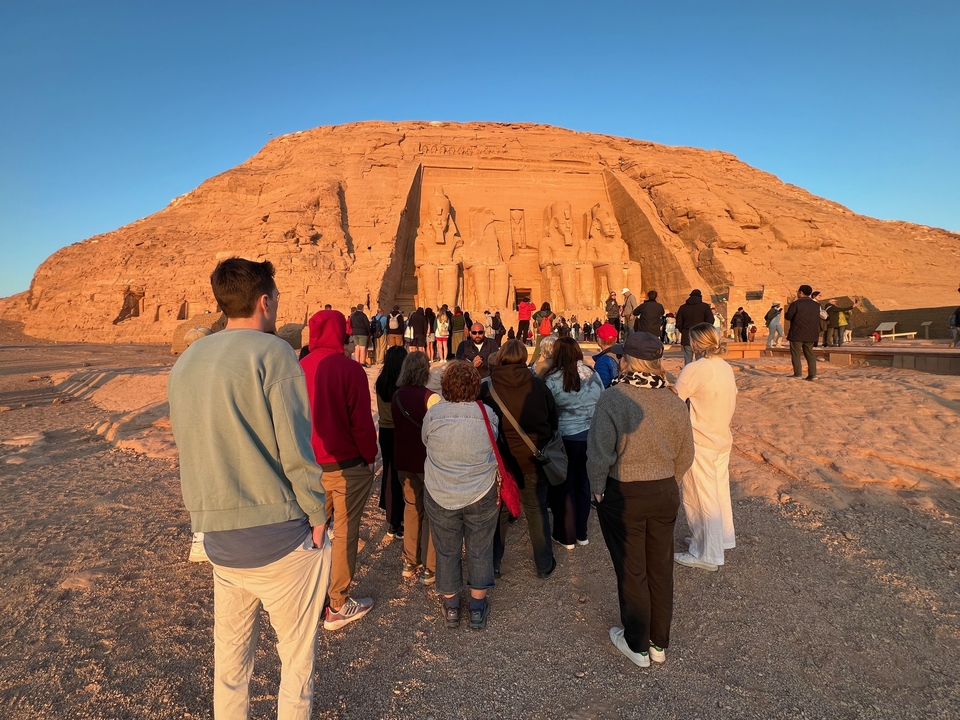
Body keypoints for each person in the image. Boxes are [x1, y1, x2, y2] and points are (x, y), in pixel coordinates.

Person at [168, 258, 331, 719]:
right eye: (276, 298)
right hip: (279, 539)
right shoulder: (273, 353)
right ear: (264, 300)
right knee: (296, 668)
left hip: (220, 539)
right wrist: (318, 517)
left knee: (230, 668)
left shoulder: (188, 361)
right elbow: (297, 450)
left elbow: (192, 444)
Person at [587, 331, 695, 669]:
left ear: (627, 360)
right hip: (663, 489)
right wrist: (670, 480)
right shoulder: (674, 400)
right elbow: (686, 453)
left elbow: (600, 451)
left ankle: (636, 643)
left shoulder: (614, 397)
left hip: (626, 491)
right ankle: (658, 642)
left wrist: (597, 486)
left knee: (633, 570)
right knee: (659, 568)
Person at [301, 309, 377, 630]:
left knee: (309, 531)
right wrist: (370, 457)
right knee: (345, 532)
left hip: (308, 466)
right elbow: (361, 424)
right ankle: (337, 604)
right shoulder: (349, 369)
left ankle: (305, 597)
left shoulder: (298, 367)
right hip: (346, 465)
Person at [423, 360, 500, 629]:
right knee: (480, 547)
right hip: (480, 489)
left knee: (446, 549)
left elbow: (426, 441)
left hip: (441, 488)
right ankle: (477, 608)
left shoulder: (434, 415)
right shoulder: (488, 414)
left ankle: (453, 606)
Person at [480, 339, 559, 579]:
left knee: (500, 511)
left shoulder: (487, 387)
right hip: (534, 458)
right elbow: (552, 419)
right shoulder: (538, 384)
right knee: (536, 509)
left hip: (503, 463)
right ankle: (544, 563)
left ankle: (493, 563)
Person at [673, 324, 737, 572]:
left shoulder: (696, 368)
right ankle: (719, 539)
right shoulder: (724, 366)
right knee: (719, 491)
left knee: (701, 496)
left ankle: (706, 554)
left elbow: (676, 399)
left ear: (695, 343)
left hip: (700, 440)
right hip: (721, 436)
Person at [542, 337, 603, 548]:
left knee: (563, 487)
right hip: (589, 437)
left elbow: (546, 409)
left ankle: (565, 535)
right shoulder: (592, 375)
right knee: (583, 485)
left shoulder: (551, 378)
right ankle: (581, 533)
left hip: (565, 438)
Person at [392, 352, 439, 584]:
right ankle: (429, 566)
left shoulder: (397, 395)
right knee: (431, 511)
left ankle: (410, 559)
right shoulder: (430, 398)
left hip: (403, 459)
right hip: (425, 461)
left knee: (411, 508)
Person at [375, 346, 408, 540]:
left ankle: (392, 520)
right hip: (400, 431)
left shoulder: (381, 381)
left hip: (385, 431)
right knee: (402, 476)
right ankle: (401, 519)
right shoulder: (403, 384)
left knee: (389, 474)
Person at [785, 284, 821, 381]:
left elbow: (788, 316)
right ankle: (813, 375)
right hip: (811, 333)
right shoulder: (816, 305)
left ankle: (797, 374)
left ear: (801, 292)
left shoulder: (795, 304)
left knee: (796, 354)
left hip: (797, 332)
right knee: (810, 353)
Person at [675, 289, 714, 365]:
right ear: (700, 296)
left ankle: (688, 375)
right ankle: (699, 375)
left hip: (687, 335)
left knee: (688, 359)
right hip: (700, 335)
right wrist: (704, 331)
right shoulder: (705, 307)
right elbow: (710, 321)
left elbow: (678, 323)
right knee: (700, 359)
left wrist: (683, 330)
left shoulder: (683, 307)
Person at [592, 323, 620, 388]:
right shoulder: (622, 355)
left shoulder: (602, 361)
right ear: (615, 339)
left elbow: (601, 387)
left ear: (599, 340)